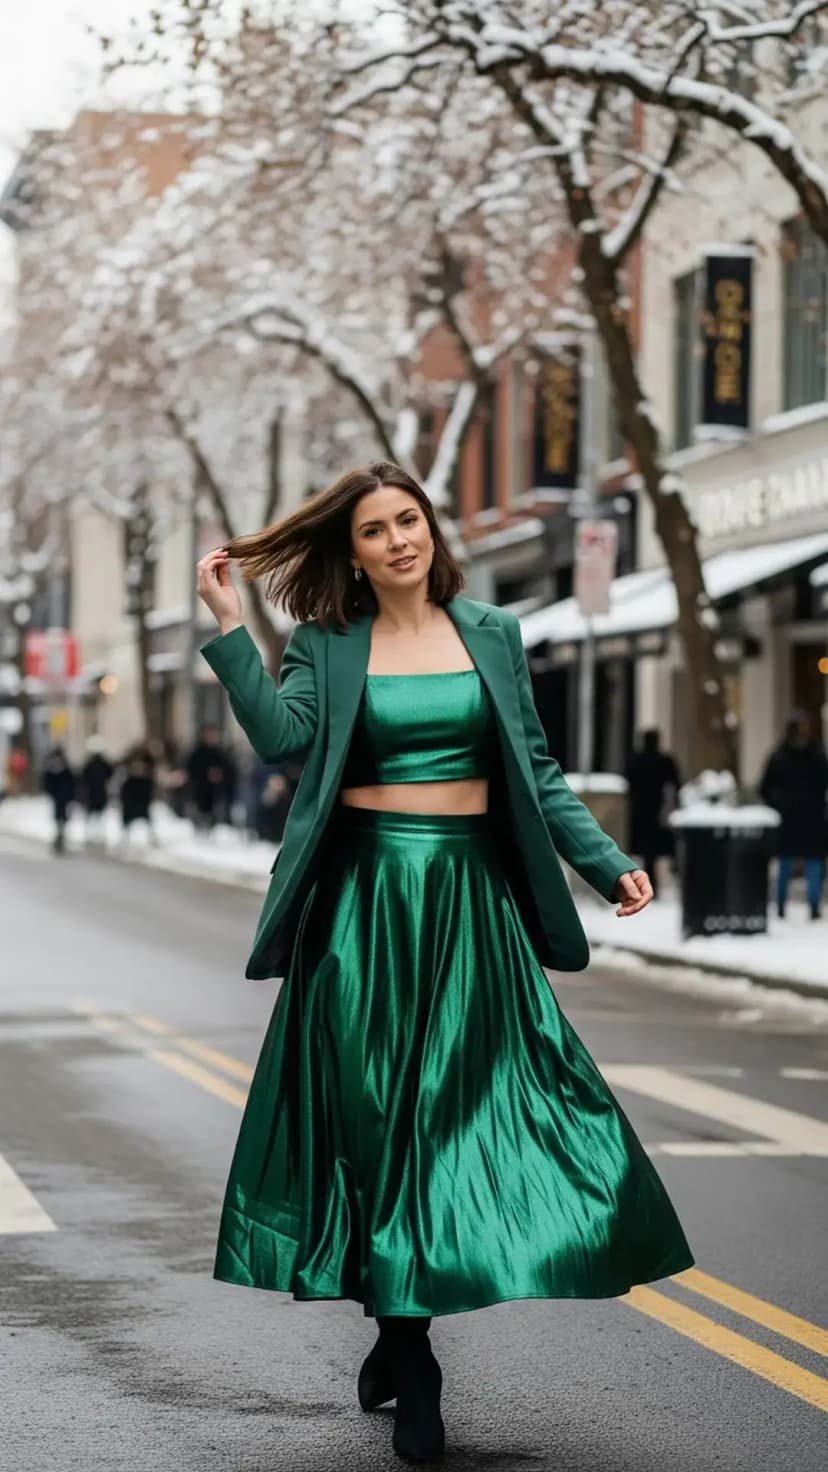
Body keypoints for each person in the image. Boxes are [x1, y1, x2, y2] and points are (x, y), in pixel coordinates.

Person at [196, 461, 693, 1464]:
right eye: (375, 529)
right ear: (353, 551)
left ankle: (400, 1319)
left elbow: (534, 772)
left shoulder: (494, 635)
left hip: (472, 905)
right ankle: (412, 1353)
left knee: (468, 1123)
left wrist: (604, 863)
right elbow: (284, 738)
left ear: (432, 528)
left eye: (408, 519)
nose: (398, 540)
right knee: (384, 1131)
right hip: (367, 910)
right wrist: (227, 625)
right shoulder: (327, 643)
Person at [759, 712, 828, 919]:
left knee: (787, 863)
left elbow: (765, 787)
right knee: (810, 862)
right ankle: (812, 906)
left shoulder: (781, 756)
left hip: (790, 816)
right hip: (809, 816)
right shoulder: (817, 756)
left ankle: (783, 905)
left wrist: (777, 803)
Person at [625, 728, 682, 898]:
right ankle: (650, 884)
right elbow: (675, 783)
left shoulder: (637, 760)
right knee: (653, 851)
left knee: (646, 851)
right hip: (656, 809)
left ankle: (645, 884)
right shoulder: (663, 760)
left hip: (641, 810)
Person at [186, 726, 235, 830]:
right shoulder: (198, 752)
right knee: (201, 811)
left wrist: (219, 774)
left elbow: (227, 769)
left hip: (215, 791)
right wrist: (206, 774)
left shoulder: (220, 752)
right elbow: (192, 768)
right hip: (201, 788)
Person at [118, 743, 157, 846]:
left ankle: (151, 837)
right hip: (131, 801)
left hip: (142, 800)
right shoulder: (129, 781)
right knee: (128, 818)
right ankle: (125, 836)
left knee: (146, 818)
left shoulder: (146, 781)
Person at [41, 744, 76, 854]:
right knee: (60, 819)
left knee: (61, 819)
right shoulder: (54, 766)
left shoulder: (61, 766)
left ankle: (60, 839)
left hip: (62, 797)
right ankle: (59, 840)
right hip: (60, 797)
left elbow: (71, 781)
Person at [79, 737, 113, 842]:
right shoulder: (91, 764)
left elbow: (109, 773)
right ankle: (91, 832)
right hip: (94, 792)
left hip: (97, 792)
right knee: (93, 814)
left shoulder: (96, 764)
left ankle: (96, 832)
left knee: (98, 813)